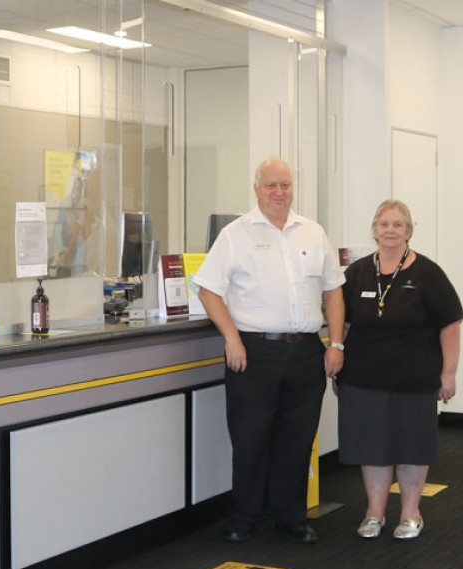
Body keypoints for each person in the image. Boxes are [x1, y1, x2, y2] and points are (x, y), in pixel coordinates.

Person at [193, 158, 346, 544]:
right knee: (250, 439)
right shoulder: (234, 234)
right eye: (271, 185)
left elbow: (333, 290)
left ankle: (290, 518)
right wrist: (231, 338)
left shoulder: (312, 232)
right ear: (257, 189)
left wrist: (336, 343)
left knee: (297, 439)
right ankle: (243, 518)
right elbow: (208, 289)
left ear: (293, 188)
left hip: (307, 351)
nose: (279, 192)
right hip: (253, 353)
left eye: (286, 185)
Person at [336, 200, 462, 540]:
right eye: (384, 224)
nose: (390, 230)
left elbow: (450, 325)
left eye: (398, 225)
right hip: (364, 378)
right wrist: (337, 360)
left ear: (408, 231)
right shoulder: (358, 272)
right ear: (375, 230)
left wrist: (448, 374)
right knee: (372, 447)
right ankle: (374, 513)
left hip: (414, 379)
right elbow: (343, 324)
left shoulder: (428, 273)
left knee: (412, 445)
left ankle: (410, 513)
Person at [51, 174, 92, 277]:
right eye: (74, 186)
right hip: (64, 244)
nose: (75, 190)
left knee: (76, 275)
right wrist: (59, 253)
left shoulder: (82, 205)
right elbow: (58, 225)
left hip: (75, 246)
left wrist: (65, 254)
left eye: (78, 188)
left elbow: (76, 230)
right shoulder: (66, 201)